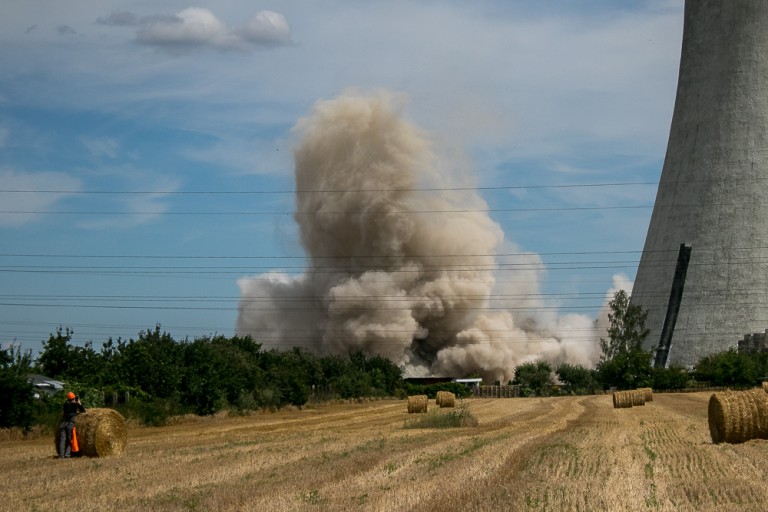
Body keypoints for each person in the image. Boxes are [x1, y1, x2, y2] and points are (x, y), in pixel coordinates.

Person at [57, 391, 85, 459]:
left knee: (62, 440)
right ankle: (67, 455)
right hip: (70, 424)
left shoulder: (65, 405)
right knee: (70, 439)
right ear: (74, 398)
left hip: (63, 424)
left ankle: (61, 455)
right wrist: (79, 403)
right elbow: (83, 410)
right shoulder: (76, 405)